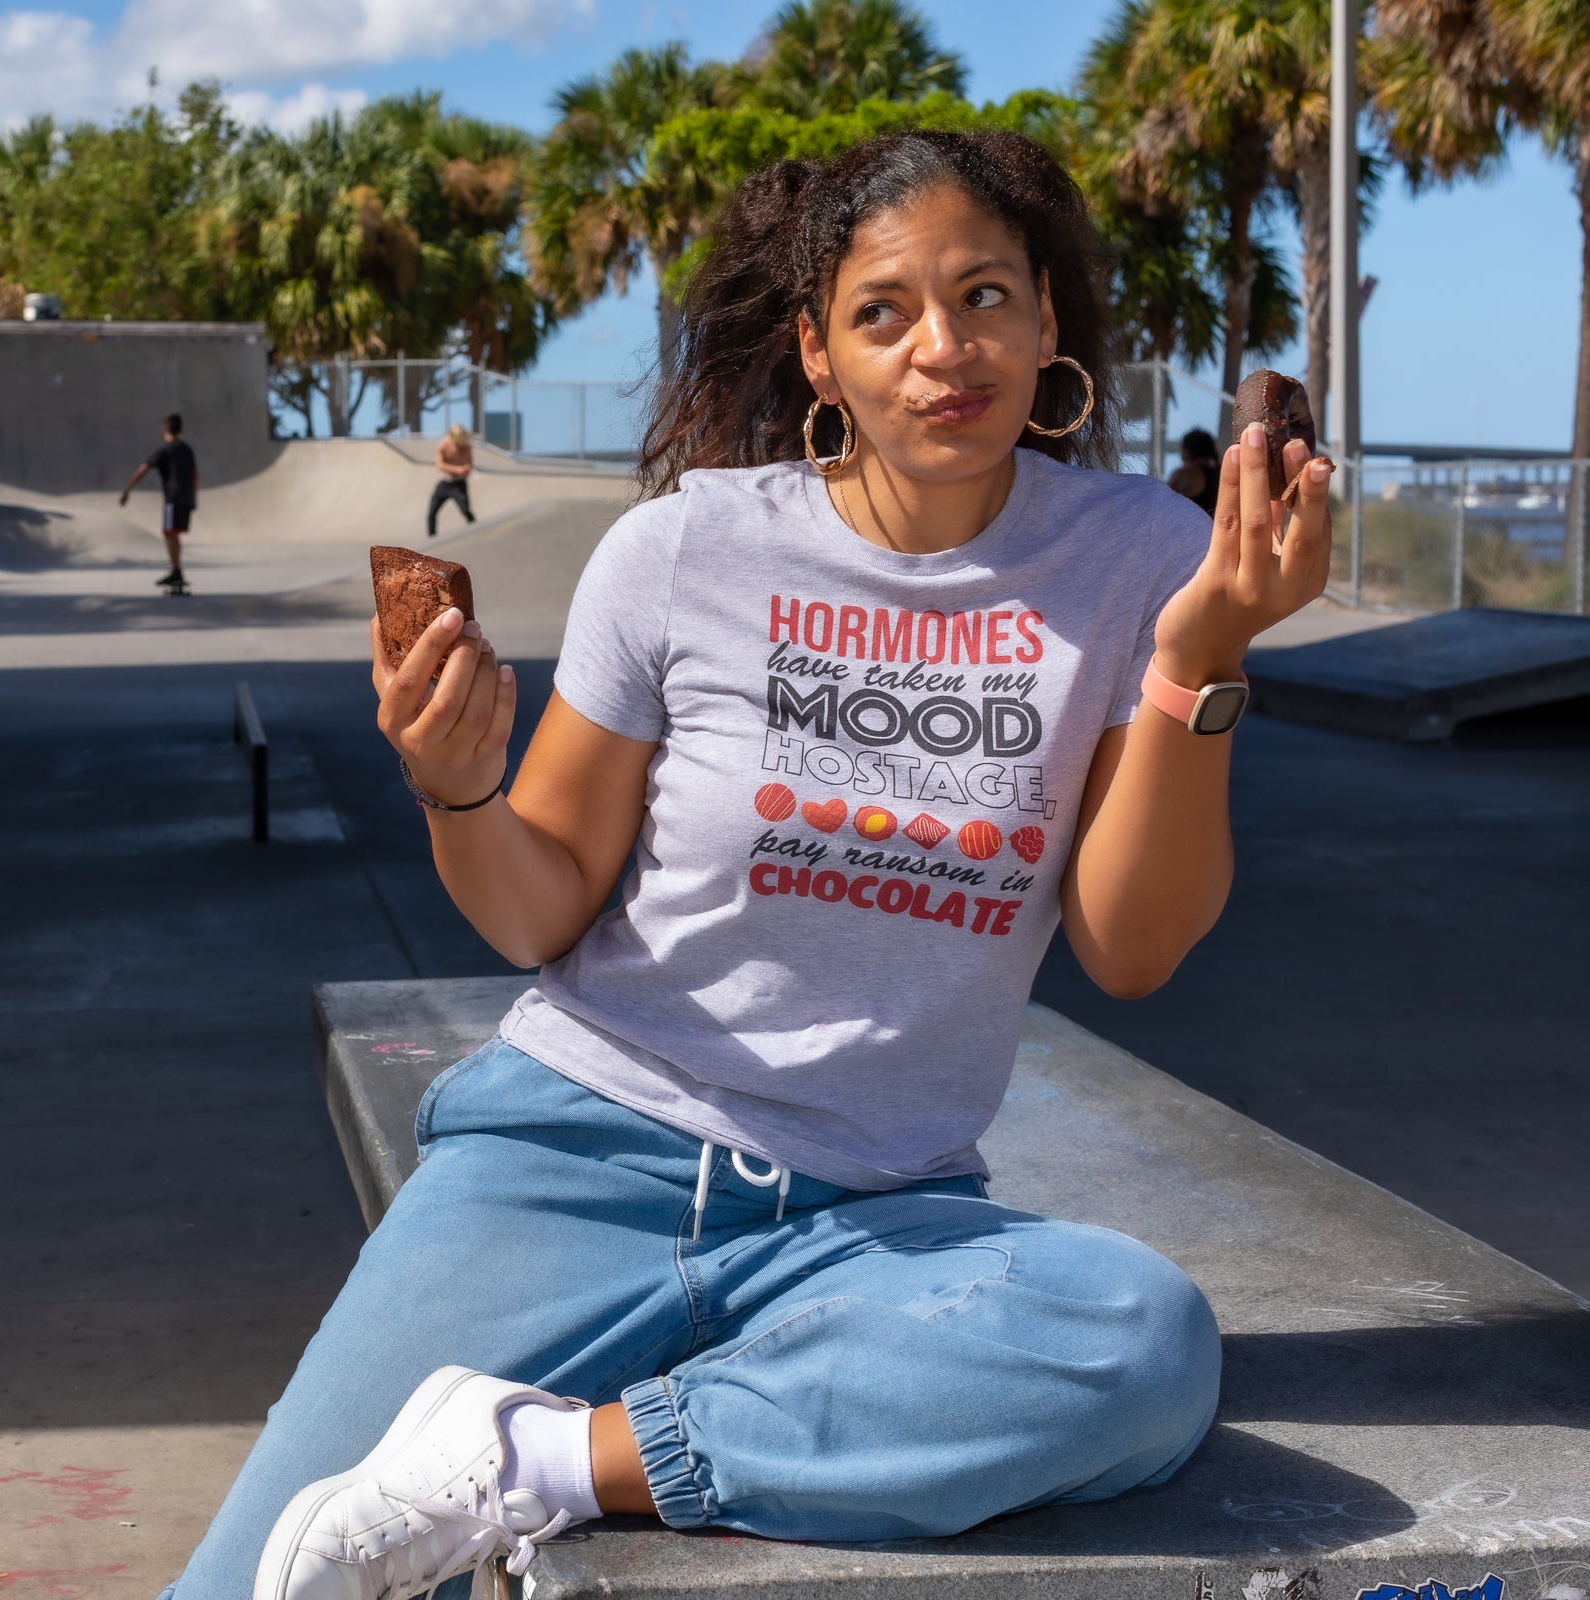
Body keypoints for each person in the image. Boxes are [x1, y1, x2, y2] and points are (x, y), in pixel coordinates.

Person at [166, 129, 1335, 1600]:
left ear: (1048, 325)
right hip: (577, 1157)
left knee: (1141, 1344)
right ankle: (673, 1422)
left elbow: (1131, 946)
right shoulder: (685, 552)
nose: (943, 348)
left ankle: (528, 1461)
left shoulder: (1140, 561)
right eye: (883, 312)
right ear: (818, 354)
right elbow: (540, 907)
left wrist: (1203, 653)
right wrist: (459, 793)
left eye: (985, 297)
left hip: (879, 1212)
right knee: (240, 1587)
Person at [119, 412, 198, 590]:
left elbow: (142, 470)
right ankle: (176, 571)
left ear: (164, 429)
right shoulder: (187, 450)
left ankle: (176, 572)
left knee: (170, 533)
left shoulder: (164, 450)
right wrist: (194, 497)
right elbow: (195, 476)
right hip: (186, 497)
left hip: (173, 497)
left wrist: (127, 491)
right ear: (180, 429)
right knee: (172, 534)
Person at [428, 423, 476, 537]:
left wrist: (465, 469)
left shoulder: (466, 447)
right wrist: (457, 469)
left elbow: (469, 464)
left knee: (466, 510)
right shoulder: (442, 446)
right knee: (432, 513)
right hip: (446, 483)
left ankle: (476, 530)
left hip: (459, 484)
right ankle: (432, 538)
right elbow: (439, 465)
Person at [1168, 428, 1222, 515]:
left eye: (1182, 450)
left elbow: (1163, 503)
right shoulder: (1222, 474)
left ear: (1188, 451)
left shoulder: (1184, 474)